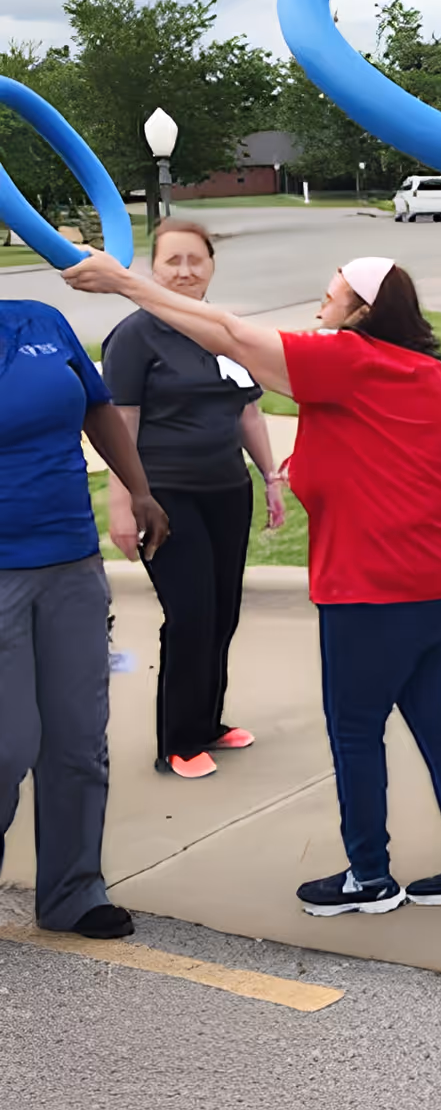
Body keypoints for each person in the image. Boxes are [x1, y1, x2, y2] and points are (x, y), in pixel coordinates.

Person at [64, 251, 441, 919]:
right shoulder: (425, 373)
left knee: (356, 730)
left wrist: (127, 282)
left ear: (363, 310)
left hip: (384, 587)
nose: (320, 306)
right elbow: (386, 450)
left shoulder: (349, 360)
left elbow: (230, 333)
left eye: (331, 295)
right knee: (437, 718)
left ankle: (369, 875)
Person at [0, 297, 168, 940]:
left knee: (77, 738)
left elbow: (97, 407)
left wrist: (140, 489)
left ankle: (73, 892)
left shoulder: (42, 319)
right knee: (7, 743)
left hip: (71, 559)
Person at [101, 220, 285, 780]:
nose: (184, 272)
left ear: (210, 268)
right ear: (151, 270)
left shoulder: (223, 332)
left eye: (194, 261)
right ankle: (177, 742)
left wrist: (271, 476)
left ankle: (208, 724)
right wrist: (122, 506)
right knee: (190, 616)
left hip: (228, 492)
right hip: (166, 497)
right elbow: (119, 425)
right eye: (171, 261)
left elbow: (248, 412)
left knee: (222, 615)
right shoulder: (135, 337)